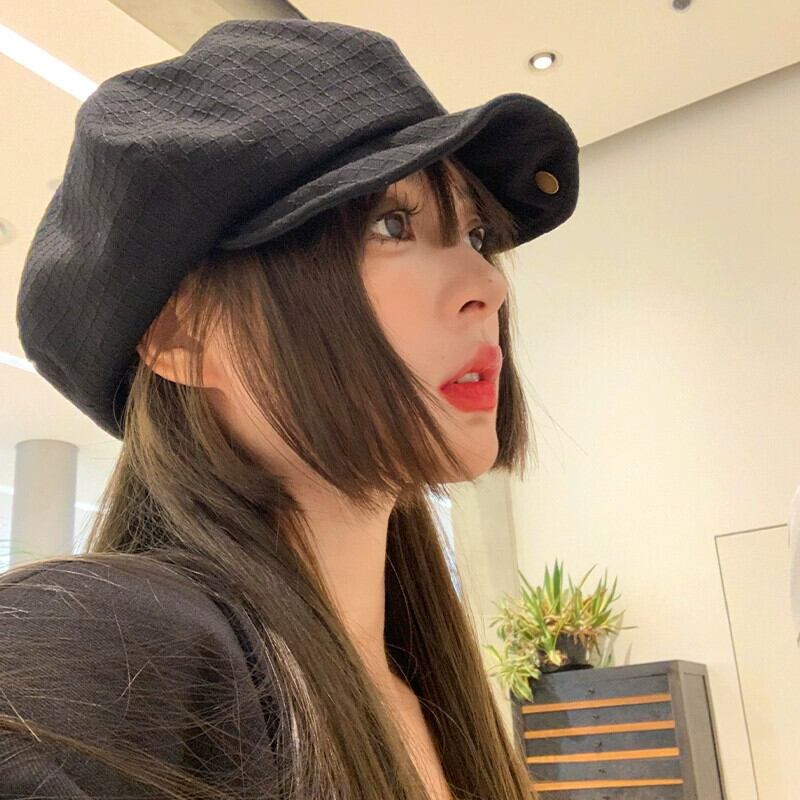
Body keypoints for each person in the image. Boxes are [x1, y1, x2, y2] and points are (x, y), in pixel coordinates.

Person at [4, 18, 579, 800]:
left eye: (476, 234)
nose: (489, 285)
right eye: (392, 224)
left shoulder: (433, 698)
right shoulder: (99, 651)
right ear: (181, 336)